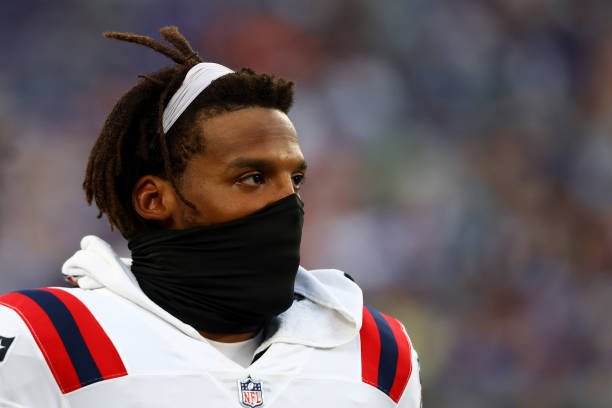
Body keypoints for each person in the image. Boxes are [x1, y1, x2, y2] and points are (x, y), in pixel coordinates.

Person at [0, 26, 421, 407]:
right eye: (253, 177)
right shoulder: (39, 337)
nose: (288, 201)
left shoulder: (379, 353)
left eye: (296, 178)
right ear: (154, 199)